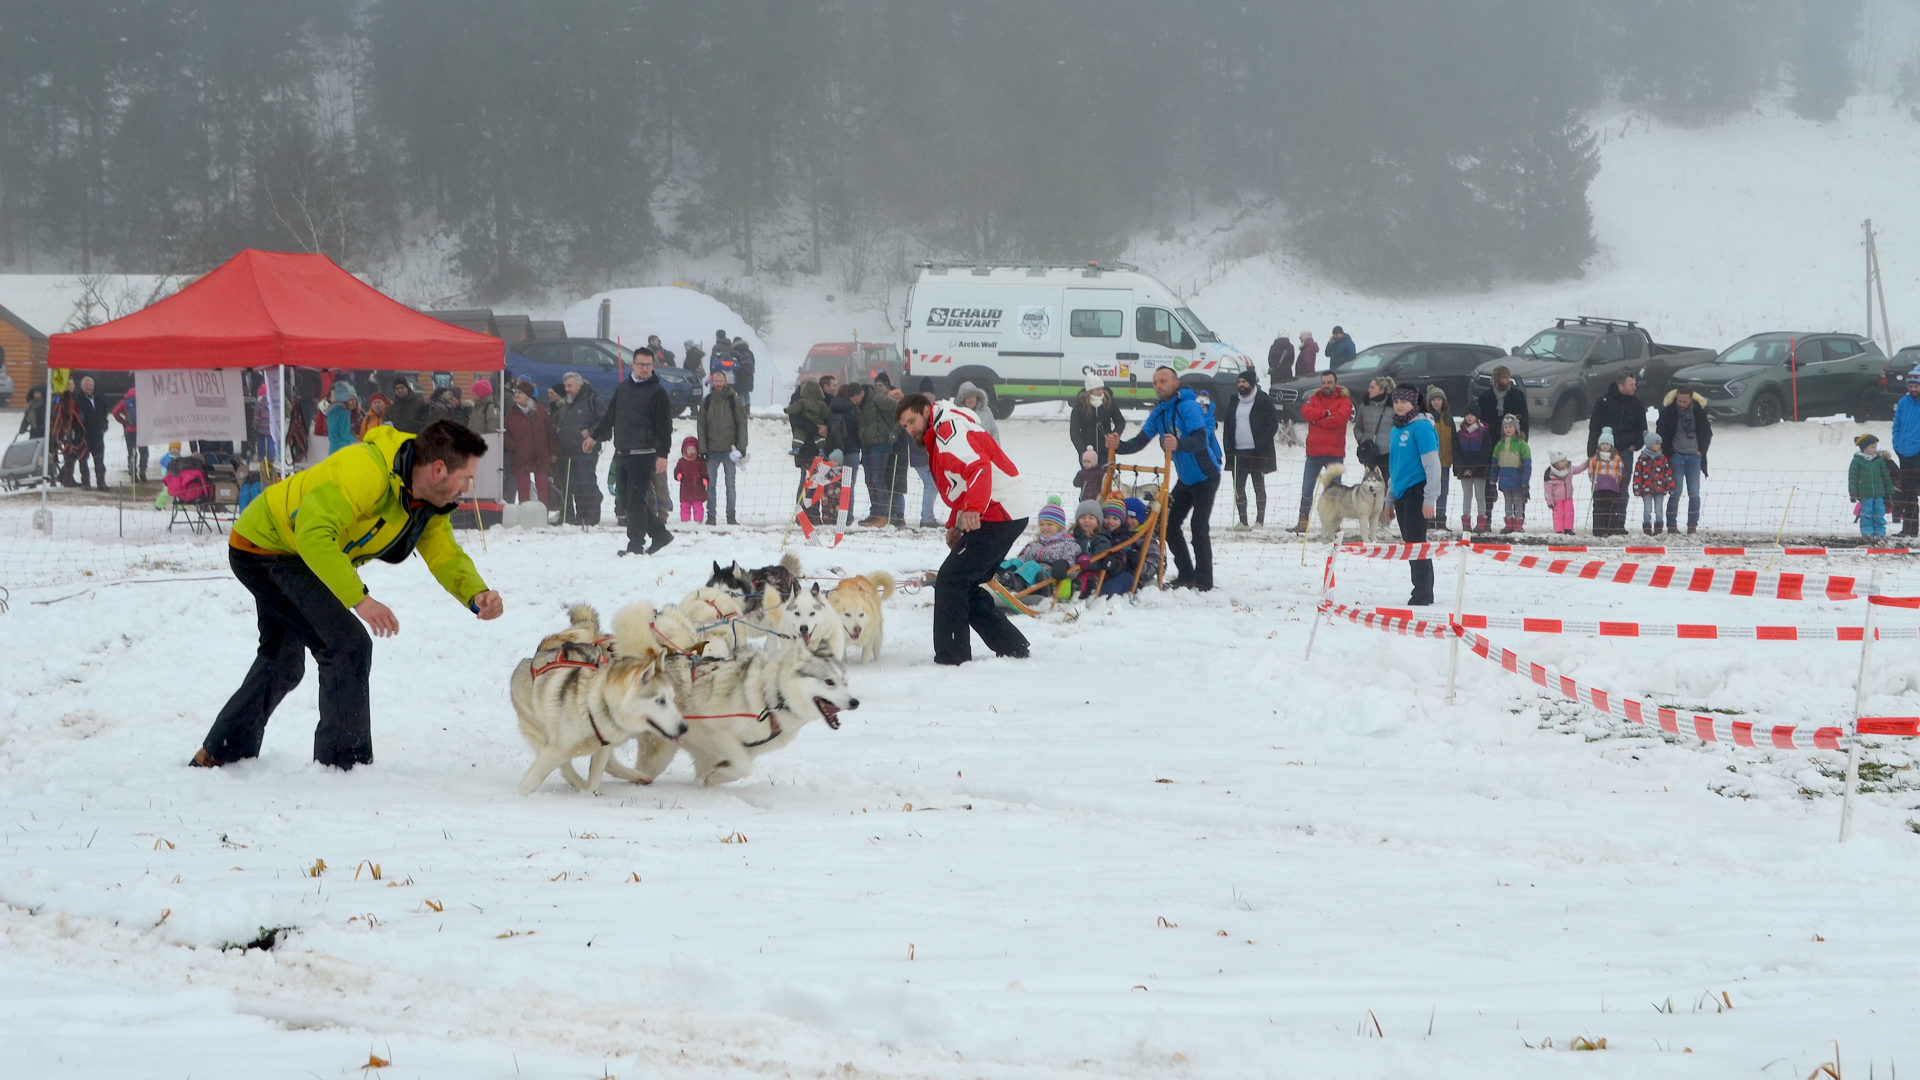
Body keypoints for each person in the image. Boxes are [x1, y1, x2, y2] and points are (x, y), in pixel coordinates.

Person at [192, 420, 503, 771]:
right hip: (266, 548)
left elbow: (444, 552)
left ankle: (219, 754)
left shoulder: (425, 499)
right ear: (438, 469)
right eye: (465, 478)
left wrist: (476, 593)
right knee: (346, 645)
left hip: (303, 552)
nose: (467, 488)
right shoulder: (365, 470)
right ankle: (343, 769)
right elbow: (313, 535)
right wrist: (361, 599)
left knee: (283, 661)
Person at [895, 391, 1031, 665]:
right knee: (962, 583)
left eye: (911, 421)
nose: (910, 430)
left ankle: (952, 656)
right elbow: (959, 483)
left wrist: (972, 510)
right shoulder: (943, 427)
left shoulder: (948, 432)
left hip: (1000, 511)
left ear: (925, 410)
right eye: (905, 426)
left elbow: (979, 469)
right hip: (1001, 510)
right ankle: (1013, 646)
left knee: (951, 580)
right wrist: (955, 522)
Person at [1107, 366, 1223, 591]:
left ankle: (1204, 581)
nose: (1159, 386)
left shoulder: (1188, 406)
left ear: (1176, 384)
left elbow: (1200, 440)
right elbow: (1140, 441)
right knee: (1169, 526)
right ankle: (1187, 574)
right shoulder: (1159, 412)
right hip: (1186, 479)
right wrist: (1118, 445)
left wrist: (1179, 444)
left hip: (1206, 476)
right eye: (1155, 382)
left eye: (1163, 381)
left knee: (1198, 527)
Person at [586, 350, 674, 555]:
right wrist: (594, 436)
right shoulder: (623, 388)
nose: (644, 369)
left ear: (653, 367)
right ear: (632, 365)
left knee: (635, 500)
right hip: (623, 452)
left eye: (648, 365)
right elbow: (610, 416)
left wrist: (663, 454)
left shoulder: (657, 392)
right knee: (625, 500)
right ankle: (659, 534)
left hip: (645, 453)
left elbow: (664, 427)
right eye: (641, 364)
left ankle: (635, 545)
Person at [1386, 386, 1441, 605]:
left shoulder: (1422, 428)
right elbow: (1395, 467)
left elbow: (1433, 465)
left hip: (1417, 491)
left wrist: (1430, 498)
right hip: (1400, 492)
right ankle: (1422, 589)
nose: (1399, 404)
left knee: (1417, 543)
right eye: (1396, 400)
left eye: (1404, 401)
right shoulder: (1395, 429)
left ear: (1415, 403)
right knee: (1411, 544)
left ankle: (1422, 593)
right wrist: (1389, 499)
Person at [1291, 370, 1352, 532]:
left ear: (1335, 383)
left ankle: (1334, 524)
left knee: (1335, 492)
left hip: (1334, 453)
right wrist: (1325, 414)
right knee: (1307, 488)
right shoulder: (1314, 398)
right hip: (1314, 453)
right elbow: (1305, 412)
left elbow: (1340, 419)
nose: (1326, 385)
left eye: (1329, 382)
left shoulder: (1344, 400)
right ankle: (1303, 521)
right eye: (1324, 382)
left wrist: (1317, 420)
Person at [1220, 368, 1277, 529]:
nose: (1241, 385)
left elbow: (1272, 424)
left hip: (1257, 452)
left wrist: (1261, 443)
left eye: (1244, 382)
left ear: (1251, 383)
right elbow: (1228, 427)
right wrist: (1229, 449)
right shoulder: (1234, 401)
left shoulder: (1262, 400)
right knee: (1238, 487)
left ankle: (1259, 520)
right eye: (1239, 382)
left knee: (1258, 485)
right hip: (1238, 452)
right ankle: (1243, 520)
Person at [695, 367, 748, 524]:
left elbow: (741, 423)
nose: (718, 383)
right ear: (712, 382)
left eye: (721, 380)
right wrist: (702, 448)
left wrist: (742, 446)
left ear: (725, 382)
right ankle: (711, 516)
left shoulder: (734, 399)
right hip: (711, 450)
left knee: (730, 486)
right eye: (716, 380)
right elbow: (701, 426)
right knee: (710, 485)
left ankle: (731, 516)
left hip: (729, 450)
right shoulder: (707, 401)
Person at [1656, 386, 1712, 535]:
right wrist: (1671, 453)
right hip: (1676, 457)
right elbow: (1660, 433)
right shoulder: (1668, 412)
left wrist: (1701, 451)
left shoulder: (1699, 412)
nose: (1681, 403)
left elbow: (1707, 433)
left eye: (1685, 401)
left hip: (1694, 457)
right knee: (1676, 492)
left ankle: (1692, 526)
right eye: (1680, 400)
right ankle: (1672, 525)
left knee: (1694, 492)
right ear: (1676, 397)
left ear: (1691, 399)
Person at [553, 372, 606, 526]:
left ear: (579, 385)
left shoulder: (592, 399)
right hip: (569, 450)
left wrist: (590, 432)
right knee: (576, 484)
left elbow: (605, 420)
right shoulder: (568, 402)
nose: (567, 389)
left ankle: (592, 517)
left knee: (586, 482)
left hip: (587, 449)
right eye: (565, 386)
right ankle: (581, 515)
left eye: (570, 385)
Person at [1587, 372, 1646, 490]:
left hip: (1626, 451)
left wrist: (1636, 445)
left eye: (1635, 384)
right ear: (1621, 386)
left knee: (1623, 488)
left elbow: (1642, 428)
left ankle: (1621, 509)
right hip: (1604, 452)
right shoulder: (1603, 402)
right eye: (1631, 385)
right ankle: (1602, 509)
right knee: (1602, 488)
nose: (1635, 387)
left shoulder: (1637, 404)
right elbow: (1594, 427)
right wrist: (1591, 451)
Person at [854, 377, 900, 526]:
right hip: (866, 444)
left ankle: (883, 514)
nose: (855, 401)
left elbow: (900, 408)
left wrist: (895, 431)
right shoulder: (859, 403)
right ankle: (874, 513)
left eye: (856, 398)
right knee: (869, 479)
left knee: (877, 478)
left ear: (861, 393)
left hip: (880, 444)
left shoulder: (877, 398)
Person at [503, 378, 554, 506]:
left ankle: (543, 515)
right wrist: (512, 446)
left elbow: (550, 432)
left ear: (528, 396)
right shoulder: (511, 414)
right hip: (520, 456)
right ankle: (525, 515)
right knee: (523, 489)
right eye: (515, 392)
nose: (516, 395)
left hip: (541, 456)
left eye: (520, 393)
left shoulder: (541, 411)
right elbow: (505, 433)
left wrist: (553, 452)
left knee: (543, 489)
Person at [788, 376, 833, 492]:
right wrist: (818, 429)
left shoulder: (822, 400)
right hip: (806, 447)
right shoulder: (798, 401)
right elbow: (797, 421)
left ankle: (812, 508)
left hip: (812, 446)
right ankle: (803, 508)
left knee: (817, 481)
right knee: (807, 480)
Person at [1452, 406, 1492, 532]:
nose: (1469, 417)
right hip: (1464, 470)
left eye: (1472, 415)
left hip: (1479, 470)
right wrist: (1463, 468)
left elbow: (1486, 452)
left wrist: (1474, 468)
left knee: (1480, 496)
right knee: (1467, 495)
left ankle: (1481, 521)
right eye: (1467, 414)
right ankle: (1466, 521)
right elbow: (1456, 452)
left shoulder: (1484, 432)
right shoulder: (1460, 433)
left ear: (1477, 417)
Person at [1069, 374, 1125, 463]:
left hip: (1106, 451)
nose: (1100, 391)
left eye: (1102, 388)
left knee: (1107, 476)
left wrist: (1115, 435)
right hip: (1088, 451)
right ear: (1090, 390)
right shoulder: (1079, 406)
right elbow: (1074, 431)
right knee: (1089, 476)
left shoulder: (1109, 402)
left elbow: (1120, 422)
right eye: (1097, 389)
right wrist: (1082, 450)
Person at [1851, 434, 1897, 538]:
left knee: (1879, 514)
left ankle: (1880, 535)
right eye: (1872, 447)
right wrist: (1853, 492)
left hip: (1879, 493)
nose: (1875, 449)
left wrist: (1889, 489)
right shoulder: (1857, 461)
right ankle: (1868, 535)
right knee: (1867, 514)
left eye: (1876, 446)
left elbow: (1885, 476)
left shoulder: (1879, 460)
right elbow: (1852, 477)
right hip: (1865, 494)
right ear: (1864, 448)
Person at [1493, 414, 1532, 533]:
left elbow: (1527, 464)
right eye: (1506, 427)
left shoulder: (1522, 444)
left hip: (1517, 478)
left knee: (1518, 501)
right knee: (1507, 501)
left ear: (1516, 428)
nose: (1508, 429)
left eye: (1511, 426)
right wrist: (1492, 478)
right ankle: (1509, 522)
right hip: (1504, 477)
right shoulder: (1499, 444)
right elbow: (1494, 462)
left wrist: (1525, 481)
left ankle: (1518, 522)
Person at [1632, 432, 1675, 536]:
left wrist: (1670, 486)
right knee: (1647, 509)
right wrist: (1637, 488)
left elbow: (1668, 473)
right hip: (1646, 489)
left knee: (1659, 509)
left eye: (1660, 444)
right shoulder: (1642, 459)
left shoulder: (1663, 458)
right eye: (1656, 444)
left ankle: (1658, 528)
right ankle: (1647, 527)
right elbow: (1637, 474)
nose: (1659, 446)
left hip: (1660, 489)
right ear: (1649, 444)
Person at [1894, 369, 1920, 538]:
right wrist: (1897, 444)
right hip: (1905, 454)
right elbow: (1896, 424)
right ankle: (1909, 530)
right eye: (1911, 386)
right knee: (1908, 494)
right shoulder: (1903, 402)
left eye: (1916, 386)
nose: (1913, 389)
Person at [71, 376, 110, 489]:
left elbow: (104, 414)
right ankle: (86, 483)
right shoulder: (77, 400)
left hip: (98, 434)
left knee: (99, 460)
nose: (89, 387)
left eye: (90, 385)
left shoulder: (99, 398)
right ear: (82, 387)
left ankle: (101, 482)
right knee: (83, 460)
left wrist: (104, 425)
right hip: (83, 436)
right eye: (86, 385)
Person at [1352, 375, 1396, 475]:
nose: (1369, 390)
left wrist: (1391, 444)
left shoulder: (1393, 407)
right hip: (1369, 454)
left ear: (1381, 390)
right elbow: (1357, 428)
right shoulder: (1364, 406)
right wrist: (1363, 440)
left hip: (1388, 455)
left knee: (1387, 485)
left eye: (1372, 387)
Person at [1587, 429, 1628, 536]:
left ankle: (1609, 529)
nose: (1605, 446)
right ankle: (1598, 530)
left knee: (1610, 508)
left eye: (1607, 444)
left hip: (1612, 488)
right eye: (1602, 444)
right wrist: (1595, 480)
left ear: (1612, 445)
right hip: (1599, 488)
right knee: (1599, 509)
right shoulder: (1595, 458)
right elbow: (1591, 471)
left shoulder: (1617, 458)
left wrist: (1617, 482)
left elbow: (1621, 471)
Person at [1424, 386, 1453, 532]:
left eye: (1439, 399)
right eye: (1433, 399)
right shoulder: (1426, 418)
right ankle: (1428, 518)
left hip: (1445, 462)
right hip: (1429, 463)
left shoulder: (1448, 418)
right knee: (1429, 489)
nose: (1436, 402)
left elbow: (1454, 440)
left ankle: (1441, 519)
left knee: (1444, 491)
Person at [110, 385, 148, 483]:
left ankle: (133, 474)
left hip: (129, 430)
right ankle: (143, 472)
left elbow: (114, 412)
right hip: (142, 430)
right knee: (144, 452)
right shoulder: (143, 400)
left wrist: (123, 421)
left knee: (132, 453)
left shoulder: (125, 401)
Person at [1543, 453, 1586, 535]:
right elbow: (1548, 489)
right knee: (1558, 515)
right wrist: (1549, 501)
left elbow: (1579, 469)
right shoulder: (1550, 474)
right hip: (1557, 500)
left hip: (1568, 497)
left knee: (1569, 513)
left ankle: (1568, 529)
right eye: (1562, 461)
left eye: (1565, 460)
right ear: (1556, 463)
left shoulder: (1569, 469)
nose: (1565, 462)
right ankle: (1559, 530)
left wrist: (1587, 463)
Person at [673, 435, 709, 523]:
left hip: (697, 488)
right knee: (685, 506)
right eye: (689, 450)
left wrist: (705, 478)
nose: (691, 452)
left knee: (698, 506)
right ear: (684, 450)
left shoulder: (700, 462)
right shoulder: (681, 462)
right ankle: (685, 521)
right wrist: (678, 476)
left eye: (693, 450)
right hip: (685, 488)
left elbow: (704, 471)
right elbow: (676, 471)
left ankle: (698, 521)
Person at [323, 381, 360, 456]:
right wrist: (356, 439)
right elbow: (344, 433)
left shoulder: (331, 412)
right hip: (342, 449)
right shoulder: (344, 412)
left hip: (332, 449)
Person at [730, 336, 757, 408]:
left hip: (740, 375)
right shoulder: (750, 352)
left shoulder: (735, 352)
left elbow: (734, 364)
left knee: (740, 392)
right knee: (746, 392)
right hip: (750, 375)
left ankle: (742, 409)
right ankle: (747, 409)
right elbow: (753, 362)